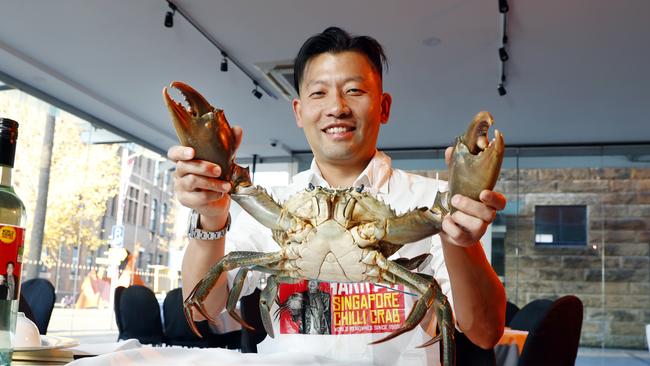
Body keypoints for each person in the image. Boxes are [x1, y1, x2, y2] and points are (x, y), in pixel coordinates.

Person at [168, 27, 506, 365]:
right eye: (319, 93)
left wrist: (460, 240)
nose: (337, 107)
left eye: (354, 90)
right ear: (299, 112)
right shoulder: (273, 204)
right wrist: (211, 217)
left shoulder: (436, 205)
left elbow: (484, 332)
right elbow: (205, 310)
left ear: (383, 107)